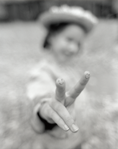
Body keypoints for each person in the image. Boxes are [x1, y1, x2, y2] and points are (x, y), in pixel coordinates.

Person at [27, 5, 98, 149]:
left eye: (78, 43)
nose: (74, 48)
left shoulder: (72, 69)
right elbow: (41, 97)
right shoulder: (42, 72)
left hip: (76, 138)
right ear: (52, 37)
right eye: (69, 40)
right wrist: (46, 109)